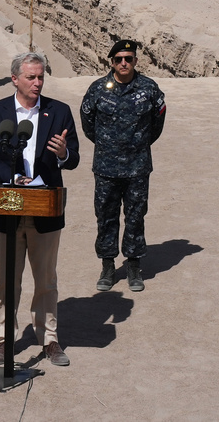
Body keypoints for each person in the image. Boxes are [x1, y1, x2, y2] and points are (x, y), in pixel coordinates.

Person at [0, 51, 80, 367]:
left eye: (41, 78)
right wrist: (11, 177)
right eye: (31, 77)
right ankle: (3, 340)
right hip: (7, 207)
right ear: (15, 79)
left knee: (46, 280)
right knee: (7, 280)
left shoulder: (59, 112)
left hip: (45, 208)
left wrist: (63, 154)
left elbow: (74, 158)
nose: (37, 83)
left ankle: (49, 341)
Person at [80, 40, 166, 293]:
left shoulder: (149, 89)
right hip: (106, 167)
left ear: (136, 61)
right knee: (105, 217)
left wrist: (138, 144)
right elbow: (87, 123)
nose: (124, 63)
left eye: (128, 58)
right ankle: (107, 266)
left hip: (137, 166)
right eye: (118, 59)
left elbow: (157, 123)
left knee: (136, 216)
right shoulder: (98, 89)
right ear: (112, 62)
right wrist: (108, 145)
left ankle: (133, 266)